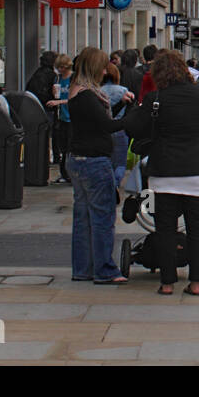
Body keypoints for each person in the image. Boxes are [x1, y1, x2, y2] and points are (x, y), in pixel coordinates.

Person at [124, 50, 199, 295]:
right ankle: (196, 284)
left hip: (164, 172)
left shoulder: (156, 98)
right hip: (197, 170)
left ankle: (166, 283)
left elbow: (133, 127)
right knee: (198, 228)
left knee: (164, 228)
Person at [66, 47, 130, 283]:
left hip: (78, 159)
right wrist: (131, 119)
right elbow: (106, 126)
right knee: (102, 217)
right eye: (103, 66)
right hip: (94, 160)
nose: (106, 71)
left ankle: (82, 269)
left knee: (83, 219)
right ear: (95, 67)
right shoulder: (87, 95)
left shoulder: (75, 91)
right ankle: (104, 270)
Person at [101, 62, 135, 186]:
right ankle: (115, 183)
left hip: (104, 129)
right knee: (120, 163)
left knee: (107, 161)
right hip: (120, 128)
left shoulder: (98, 91)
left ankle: (108, 183)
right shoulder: (123, 91)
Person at [45, 54, 74, 184]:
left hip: (71, 117)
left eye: (63, 67)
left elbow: (75, 99)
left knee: (69, 146)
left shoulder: (73, 79)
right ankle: (64, 173)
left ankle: (68, 173)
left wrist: (60, 102)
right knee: (63, 146)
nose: (61, 70)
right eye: (59, 67)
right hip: (61, 117)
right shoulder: (58, 79)